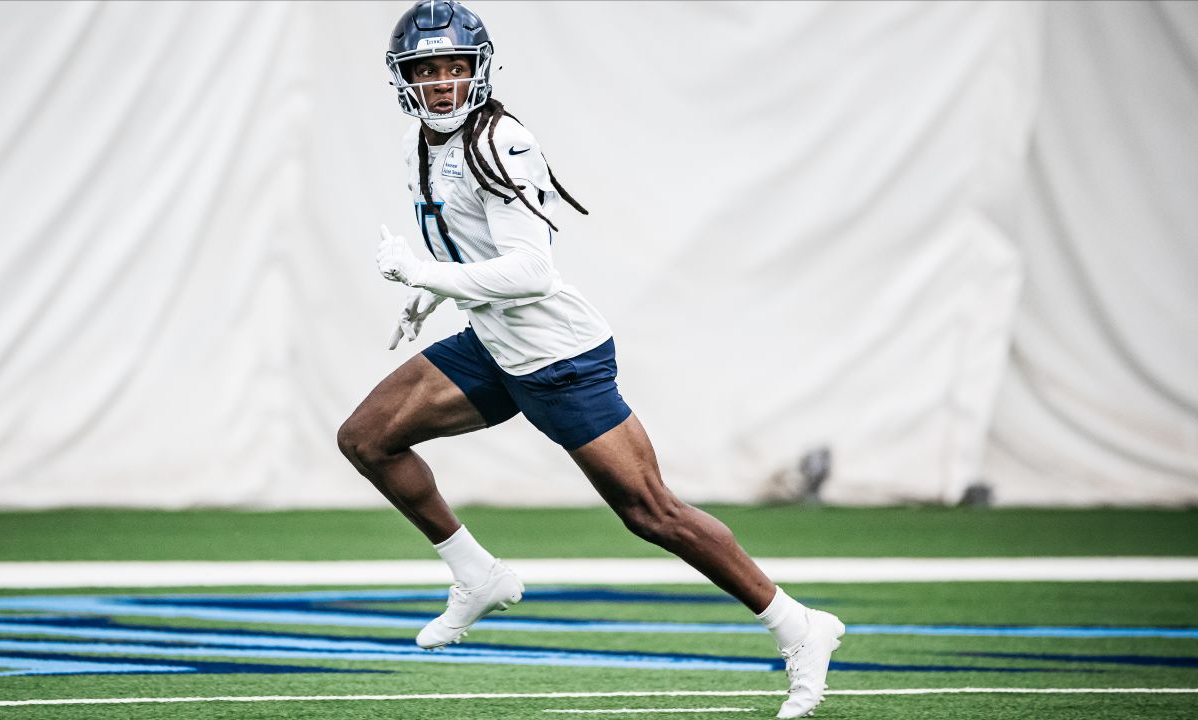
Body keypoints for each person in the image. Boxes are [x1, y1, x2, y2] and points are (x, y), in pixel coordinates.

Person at [336, 2, 844, 717]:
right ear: (404, 79)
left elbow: (530, 271)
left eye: (455, 67)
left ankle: (798, 625)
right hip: (495, 342)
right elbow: (468, 249)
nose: (443, 83)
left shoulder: (500, 141)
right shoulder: (420, 144)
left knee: (651, 512)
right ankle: (475, 574)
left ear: (480, 72)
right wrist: (433, 292)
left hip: (555, 354)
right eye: (428, 69)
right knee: (367, 438)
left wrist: (425, 277)